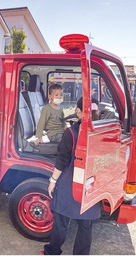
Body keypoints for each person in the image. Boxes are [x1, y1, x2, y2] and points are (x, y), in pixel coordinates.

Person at [41, 97, 101, 255]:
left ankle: (52, 251)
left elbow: (61, 161)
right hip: (90, 185)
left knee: (61, 222)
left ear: (78, 111)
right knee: (85, 225)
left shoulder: (71, 133)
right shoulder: (101, 132)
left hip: (69, 184)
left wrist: (52, 181)